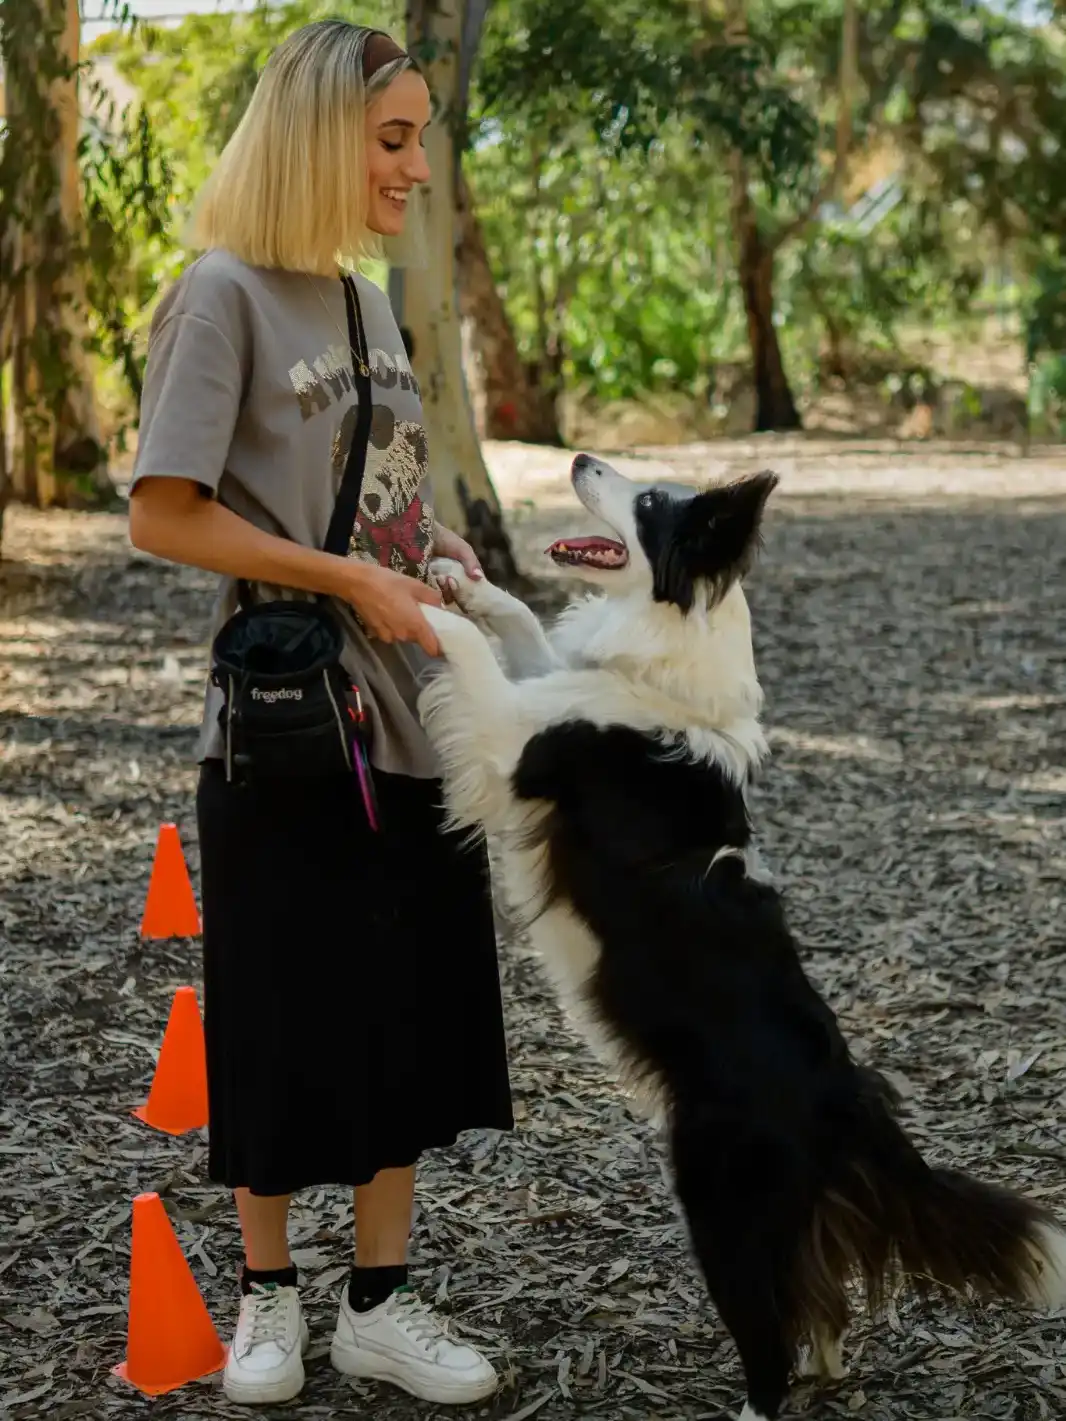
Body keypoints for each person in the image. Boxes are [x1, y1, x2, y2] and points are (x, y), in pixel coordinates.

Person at [127, 20, 513, 1407]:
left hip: (416, 719)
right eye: (392, 139)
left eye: (420, 139)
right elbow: (164, 515)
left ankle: (379, 1308)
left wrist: (432, 556)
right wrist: (344, 577)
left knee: (404, 1016)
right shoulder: (220, 296)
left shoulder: (369, 307)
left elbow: (386, 501)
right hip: (290, 729)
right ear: (315, 139)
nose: (416, 167)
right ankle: (269, 1300)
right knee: (281, 1012)